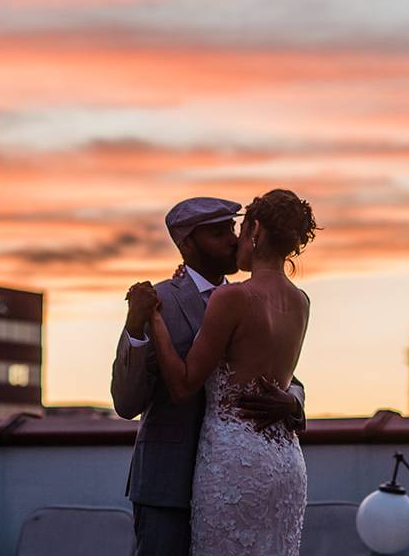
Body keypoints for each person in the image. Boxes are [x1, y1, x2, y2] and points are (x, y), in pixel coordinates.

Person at [111, 196, 308, 556]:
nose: (233, 240)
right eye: (219, 233)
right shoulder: (158, 300)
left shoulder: (253, 296)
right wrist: (136, 326)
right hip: (167, 486)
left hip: (238, 477)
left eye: (234, 228)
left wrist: (293, 402)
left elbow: (283, 375)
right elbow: (126, 404)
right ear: (187, 243)